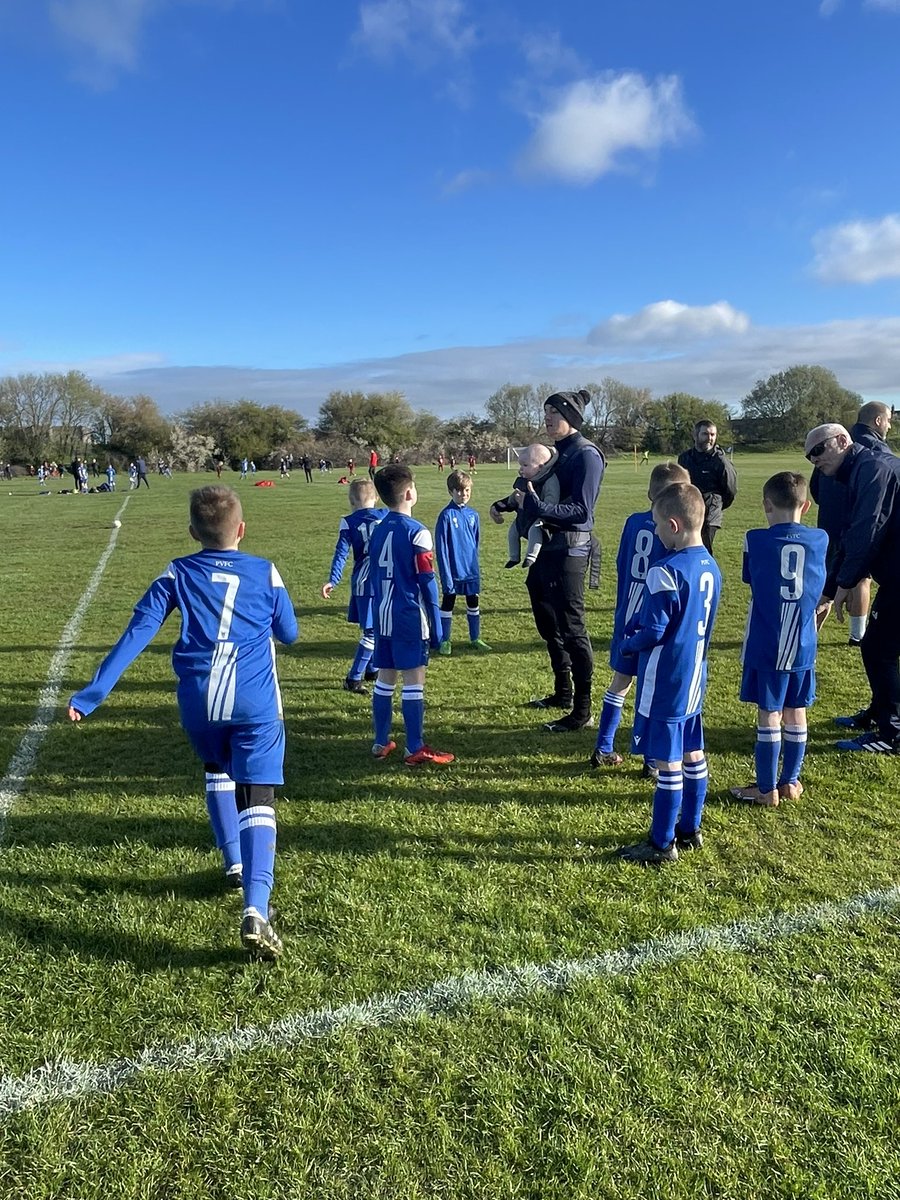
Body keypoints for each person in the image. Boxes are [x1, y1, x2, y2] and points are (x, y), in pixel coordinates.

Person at [67, 485, 298, 959]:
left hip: (199, 703)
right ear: (243, 529)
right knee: (257, 794)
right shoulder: (265, 570)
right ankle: (256, 907)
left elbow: (138, 631)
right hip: (254, 702)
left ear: (192, 531)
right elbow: (289, 634)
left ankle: (232, 861)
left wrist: (93, 694)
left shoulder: (176, 572)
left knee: (216, 770)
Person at [616, 482, 722, 865]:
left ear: (674, 525)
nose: (656, 532)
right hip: (695, 674)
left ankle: (661, 843)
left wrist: (628, 642)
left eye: (659, 526)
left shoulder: (665, 571)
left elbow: (655, 631)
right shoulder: (710, 564)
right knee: (693, 750)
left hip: (666, 678)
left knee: (667, 761)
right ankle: (690, 828)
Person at [729, 472, 828, 807]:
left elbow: (750, 579)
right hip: (803, 642)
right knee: (796, 711)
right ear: (807, 505)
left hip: (766, 641)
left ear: (766, 505)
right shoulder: (821, 539)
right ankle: (790, 781)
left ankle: (766, 787)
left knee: (769, 713)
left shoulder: (754, 539)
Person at [805, 423, 900, 753]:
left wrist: (846, 582)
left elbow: (867, 529)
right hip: (894, 575)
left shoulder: (872, 468)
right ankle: (880, 713)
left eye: (818, 450)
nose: (813, 459)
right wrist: (829, 591)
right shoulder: (854, 474)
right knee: (876, 645)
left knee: (879, 649)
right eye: (807, 455)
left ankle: (892, 733)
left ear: (843, 441)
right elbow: (847, 535)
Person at [514, 390, 605, 733]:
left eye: (555, 411)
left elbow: (582, 511)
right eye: (546, 411)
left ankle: (582, 711)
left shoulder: (585, 455)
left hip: (570, 551)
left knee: (572, 629)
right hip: (546, 551)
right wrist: (506, 504)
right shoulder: (557, 453)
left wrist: (539, 509)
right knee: (548, 624)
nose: (548, 417)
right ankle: (562, 693)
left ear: (573, 417)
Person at [591, 462, 690, 773]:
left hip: (626, 614)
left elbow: (622, 564)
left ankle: (604, 745)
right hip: (653, 619)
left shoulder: (633, 522)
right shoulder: (671, 532)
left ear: (650, 492)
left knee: (620, 682)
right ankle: (651, 759)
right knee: (652, 688)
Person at [367, 464, 454, 765]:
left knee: (385, 679)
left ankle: (380, 742)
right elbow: (427, 583)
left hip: (382, 615)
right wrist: (438, 624)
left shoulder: (377, 531)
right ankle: (414, 746)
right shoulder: (418, 532)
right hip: (408, 615)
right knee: (414, 679)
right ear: (409, 493)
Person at [810, 401, 893, 646]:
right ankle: (858, 635)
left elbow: (816, 486)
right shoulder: (876, 450)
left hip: (829, 525)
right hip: (858, 528)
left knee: (827, 579)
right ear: (878, 421)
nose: (889, 425)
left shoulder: (827, 446)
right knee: (861, 579)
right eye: (888, 420)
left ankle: (808, 634)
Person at [322, 478, 385, 694]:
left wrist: (333, 579)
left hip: (362, 581)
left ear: (351, 501)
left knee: (374, 627)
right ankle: (353, 677)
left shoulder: (348, 522)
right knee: (372, 630)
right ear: (376, 498)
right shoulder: (385, 516)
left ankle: (372, 668)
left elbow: (341, 553)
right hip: (380, 580)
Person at [434, 469, 492, 656]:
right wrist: (446, 575)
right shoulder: (446, 516)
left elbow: (475, 542)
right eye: (459, 491)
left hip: (470, 570)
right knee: (448, 603)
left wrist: (474, 566)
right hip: (453, 570)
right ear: (451, 491)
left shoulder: (473, 515)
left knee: (473, 603)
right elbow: (442, 549)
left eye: (466, 490)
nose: (463, 494)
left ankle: (475, 638)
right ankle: (445, 640)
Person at [489, 444, 560, 568]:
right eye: (521, 465)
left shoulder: (550, 481)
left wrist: (531, 499)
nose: (521, 469)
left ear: (540, 467)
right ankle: (514, 557)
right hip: (524, 515)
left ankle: (531, 556)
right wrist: (500, 505)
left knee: (535, 529)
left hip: (541, 518)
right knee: (513, 530)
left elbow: (550, 504)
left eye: (525, 465)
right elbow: (514, 497)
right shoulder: (526, 480)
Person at [677, 420, 737, 553]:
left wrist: (716, 505)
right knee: (685, 547)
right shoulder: (684, 458)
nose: (709, 438)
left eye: (713, 435)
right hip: (688, 510)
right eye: (705, 434)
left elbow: (730, 490)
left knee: (703, 550)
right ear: (695, 435)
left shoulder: (720, 462)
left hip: (710, 515)